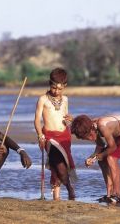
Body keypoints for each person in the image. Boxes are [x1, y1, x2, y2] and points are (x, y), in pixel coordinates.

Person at [71, 114, 120, 204]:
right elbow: (100, 145)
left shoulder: (101, 126)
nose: (89, 139)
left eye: (89, 136)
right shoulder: (92, 127)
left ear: (91, 129)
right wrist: (92, 157)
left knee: (111, 158)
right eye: (86, 138)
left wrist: (99, 156)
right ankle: (109, 193)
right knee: (102, 160)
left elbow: (113, 147)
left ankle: (117, 195)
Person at [34, 68, 76, 200]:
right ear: (49, 83)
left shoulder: (65, 99)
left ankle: (56, 197)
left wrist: (70, 120)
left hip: (65, 136)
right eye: (53, 88)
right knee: (58, 165)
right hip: (49, 137)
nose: (56, 91)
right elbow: (36, 120)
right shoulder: (43, 99)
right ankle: (69, 187)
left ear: (65, 86)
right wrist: (40, 135)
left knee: (62, 164)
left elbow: (66, 118)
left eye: (59, 89)